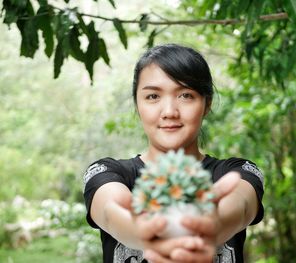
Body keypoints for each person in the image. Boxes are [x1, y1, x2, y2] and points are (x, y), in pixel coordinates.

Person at [83, 43, 264, 263]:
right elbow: (111, 212)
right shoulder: (108, 172)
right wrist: (143, 232)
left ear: (207, 104)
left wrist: (214, 224)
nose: (169, 112)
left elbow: (240, 205)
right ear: (137, 104)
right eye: (152, 97)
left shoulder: (236, 172)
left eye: (186, 95)